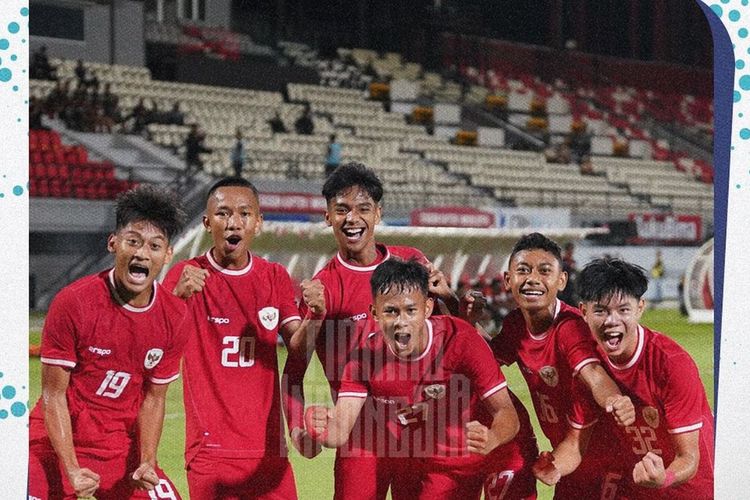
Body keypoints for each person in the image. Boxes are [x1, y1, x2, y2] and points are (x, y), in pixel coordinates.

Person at [283, 162, 463, 499]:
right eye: (342, 210)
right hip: (359, 439)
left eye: (363, 209)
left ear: (378, 213)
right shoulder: (324, 287)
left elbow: (456, 337)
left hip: (421, 431)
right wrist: (296, 429)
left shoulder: (411, 264)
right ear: (327, 217)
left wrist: (449, 297)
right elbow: (294, 367)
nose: (352, 219)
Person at [161, 177, 324, 500]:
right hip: (211, 452)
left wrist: (316, 315)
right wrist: (177, 298)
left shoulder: (274, 277)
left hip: (269, 452)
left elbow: (297, 347)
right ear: (207, 222)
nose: (233, 222)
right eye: (223, 214)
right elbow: (154, 345)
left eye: (244, 214)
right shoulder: (187, 275)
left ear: (258, 223)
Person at [305, 258, 521, 499]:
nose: (401, 322)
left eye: (411, 310)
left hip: (457, 462)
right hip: (410, 460)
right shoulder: (363, 359)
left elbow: (507, 413)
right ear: (374, 313)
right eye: (390, 311)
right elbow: (340, 431)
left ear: (427, 308)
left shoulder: (461, 340)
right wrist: (321, 427)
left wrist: (492, 437)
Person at [28, 185, 188, 500]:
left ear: (168, 254)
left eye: (155, 245)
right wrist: (72, 469)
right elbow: (53, 396)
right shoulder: (74, 302)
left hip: (120, 449)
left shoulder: (176, 315)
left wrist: (147, 461)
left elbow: (154, 399)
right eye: (133, 241)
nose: (142, 253)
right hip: (55, 444)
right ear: (113, 243)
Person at [489, 232, 635, 498]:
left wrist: (614, 399)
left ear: (561, 280)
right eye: (523, 270)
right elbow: (479, 362)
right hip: (568, 462)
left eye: (544, 271)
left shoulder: (570, 328)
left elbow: (593, 374)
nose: (533, 279)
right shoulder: (515, 325)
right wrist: (455, 306)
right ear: (508, 280)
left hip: (609, 464)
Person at [574, 258, 714, 498]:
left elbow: (689, 458)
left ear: (640, 308)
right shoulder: (587, 358)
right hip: (635, 487)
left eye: (623, 310)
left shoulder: (671, 363)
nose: (611, 320)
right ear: (583, 311)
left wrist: (664, 478)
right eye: (600, 311)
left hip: (688, 490)